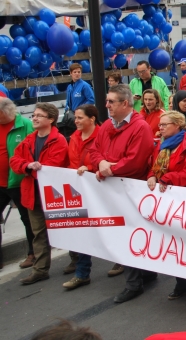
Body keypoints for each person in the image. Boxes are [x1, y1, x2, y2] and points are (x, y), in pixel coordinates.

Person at [89, 85, 156, 303]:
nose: (106, 105)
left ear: (125, 103)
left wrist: (109, 169)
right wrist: (100, 162)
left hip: (130, 191)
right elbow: (94, 150)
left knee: (130, 236)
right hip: (111, 189)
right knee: (123, 234)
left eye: (111, 102)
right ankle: (145, 274)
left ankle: (134, 284)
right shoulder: (107, 125)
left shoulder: (141, 127)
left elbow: (135, 162)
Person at [144, 111, 186, 300]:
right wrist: (152, 175)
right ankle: (180, 284)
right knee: (173, 245)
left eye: (164, 124)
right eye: (159, 125)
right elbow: (154, 167)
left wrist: (167, 178)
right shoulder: (161, 145)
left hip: (183, 202)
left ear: (177, 125)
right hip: (166, 201)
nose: (160, 128)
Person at [10, 103, 69, 285]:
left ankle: (77, 261)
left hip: (53, 194)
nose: (34, 118)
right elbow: (15, 160)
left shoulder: (58, 140)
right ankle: (40, 269)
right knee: (39, 233)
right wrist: (27, 166)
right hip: (33, 194)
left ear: (51, 119)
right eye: (34, 115)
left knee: (66, 230)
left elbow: (53, 166)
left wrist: (31, 168)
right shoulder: (29, 140)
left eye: (39, 116)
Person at [61, 104, 100, 290]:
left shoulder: (101, 136)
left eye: (79, 118)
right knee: (82, 229)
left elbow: (105, 158)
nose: (75, 121)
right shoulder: (74, 137)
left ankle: (121, 262)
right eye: (75, 118)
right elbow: (71, 162)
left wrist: (91, 168)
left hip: (99, 191)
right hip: (78, 190)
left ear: (91, 119)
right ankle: (82, 273)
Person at [0, 99, 35, 271]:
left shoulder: (25, 125)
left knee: (27, 218)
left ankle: (33, 253)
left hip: (19, 181)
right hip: (0, 182)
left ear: (6, 112)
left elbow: (34, 149)